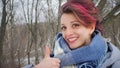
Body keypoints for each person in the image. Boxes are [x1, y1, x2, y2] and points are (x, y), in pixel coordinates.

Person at [24, 0, 120, 68]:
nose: (67, 33)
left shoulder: (114, 62)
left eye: (75, 25)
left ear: (91, 27)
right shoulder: (54, 61)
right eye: (64, 28)